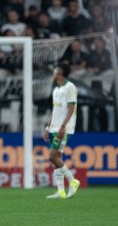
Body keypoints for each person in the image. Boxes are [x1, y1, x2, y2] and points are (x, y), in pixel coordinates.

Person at [43, 64, 80, 199]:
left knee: (52, 156)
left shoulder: (70, 87)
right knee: (57, 158)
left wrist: (63, 126)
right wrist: (48, 127)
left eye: (55, 71)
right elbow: (55, 110)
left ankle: (73, 181)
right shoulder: (56, 89)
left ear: (60, 72)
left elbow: (71, 108)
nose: (53, 73)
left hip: (64, 128)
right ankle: (60, 191)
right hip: (54, 127)